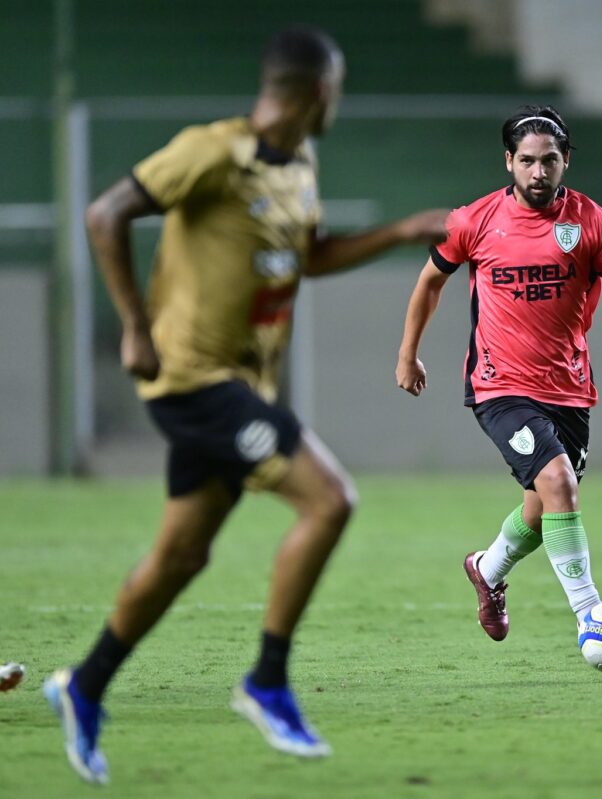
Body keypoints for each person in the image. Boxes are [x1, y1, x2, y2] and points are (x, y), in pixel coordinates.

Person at [44, 26, 447, 785]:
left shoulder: (298, 163)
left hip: (241, 386)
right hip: (194, 379)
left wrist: (405, 231)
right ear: (319, 92)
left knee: (180, 556)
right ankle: (267, 681)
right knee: (329, 500)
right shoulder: (210, 150)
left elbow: (310, 256)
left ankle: (84, 684)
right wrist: (134, 323)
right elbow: (106, 214)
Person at [395, 105, 602, 644]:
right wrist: (408, 353)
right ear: (509, 162)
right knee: (558, 482)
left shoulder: (594, 223)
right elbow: (430, 282)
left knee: (541, 506)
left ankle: (487, 569)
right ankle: (593, 617)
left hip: (569, 388)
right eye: (527, 161)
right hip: (498, 385)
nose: (538, 172)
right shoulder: (472, 221)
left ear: (566, 160)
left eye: (549, 160)